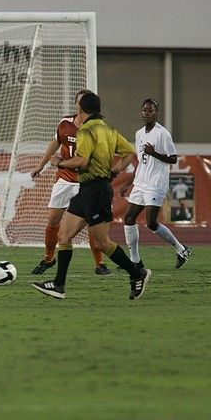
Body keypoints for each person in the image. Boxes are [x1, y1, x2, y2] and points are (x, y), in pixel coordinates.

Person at [32, 92, 151, 300]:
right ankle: (58, 286)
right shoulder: (109, 130)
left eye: (77, 103)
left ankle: (137, 273)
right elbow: (130, 153)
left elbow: (82, 161)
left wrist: (57, 163)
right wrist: (115, 171)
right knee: (64, 235)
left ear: (81, 108)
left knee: (103, 243)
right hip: (88, 189)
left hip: (96, 191)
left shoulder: (86, 130)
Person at [30, 89, 111, 276]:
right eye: (79, 102)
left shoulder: (97, 127)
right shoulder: (65, 123)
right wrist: (41, 165)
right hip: (65, 180)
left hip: (87, 182)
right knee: (53, 220)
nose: (81, 106)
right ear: (76, 105)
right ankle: (49, 259)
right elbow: (56, 142)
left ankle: (100, 264)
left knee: (93, 223)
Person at [119, 99, 191, 269]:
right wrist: (128, 183)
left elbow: (173, 158)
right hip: (140, 183)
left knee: (151, 223)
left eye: (150, 110)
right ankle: (135, 260)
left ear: (157, 112)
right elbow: (140, 162)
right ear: (141, 112)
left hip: (156, 183)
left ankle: (181, 249)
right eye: (144, 110)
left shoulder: (162, 134)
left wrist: (154, 153)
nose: (147, 113)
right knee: (128, 218)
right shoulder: (139, 134)